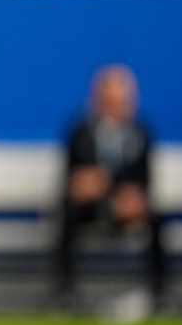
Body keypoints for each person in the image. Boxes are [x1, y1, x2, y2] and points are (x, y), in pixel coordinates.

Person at [53, 65, 167, 308]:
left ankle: (159, 294)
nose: (114, 106)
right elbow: (70, 178)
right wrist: (84, 185)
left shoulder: (140, 132)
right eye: (108, 100)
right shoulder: (80, 131)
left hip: (126, 205)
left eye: (120, 101)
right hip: (90, 206)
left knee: (157, 218)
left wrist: (131, 196)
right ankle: (65, 293)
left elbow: (145, 178)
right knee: (67, 213)